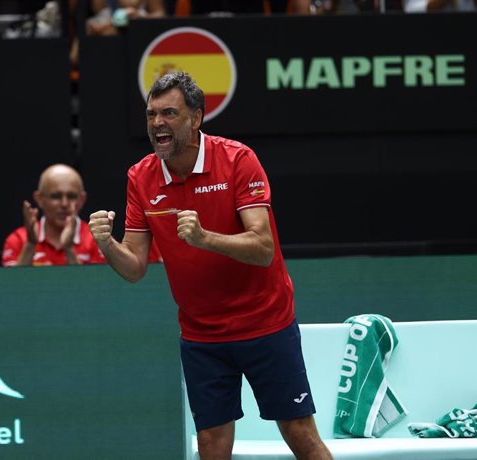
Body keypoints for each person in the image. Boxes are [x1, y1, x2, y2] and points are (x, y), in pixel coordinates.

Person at [88, 72, 331, 459]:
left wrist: (205, 239)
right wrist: (107, 244)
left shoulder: (238, 160)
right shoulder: (141, 176)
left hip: (265, 322)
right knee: (210, 444)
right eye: (151, 115)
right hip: (202, 336)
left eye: (169, 113)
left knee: (299, 433)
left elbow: (263, 247)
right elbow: (134, 266)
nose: (157, 124)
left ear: (196, 118)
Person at [2, 163, 106, 266]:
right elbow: (11, 282)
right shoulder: (18, 239)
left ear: (82, 200)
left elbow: (96, 283)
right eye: (56, 196)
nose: (64, 204)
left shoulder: (98, 239)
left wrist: (69, 250)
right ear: (39, 199)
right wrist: (30, 245)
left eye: (71, 196)